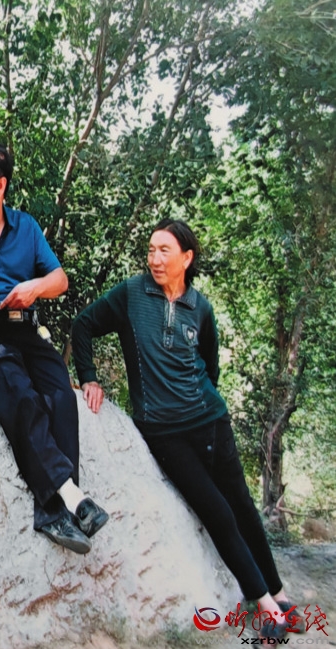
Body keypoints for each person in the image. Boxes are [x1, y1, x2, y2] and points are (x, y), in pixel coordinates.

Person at [71, 218, 298, 637]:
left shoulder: (200, 307)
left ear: (186, 258)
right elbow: (83, 324)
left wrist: (201, 402)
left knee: (243, 506)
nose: (155, 259)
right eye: (151, 250)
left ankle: (279, 593)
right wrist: (89, 377)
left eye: (165, 251)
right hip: (163, 432)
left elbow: (209, 366)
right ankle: (266, 606)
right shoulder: (131, 294)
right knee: (217, 511)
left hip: (211, 422)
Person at [0, 144, 108, 554]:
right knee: (15, 385)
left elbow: (60, 280)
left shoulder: (25, 227)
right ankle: (68, 498)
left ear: (0, 186)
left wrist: (33, 288)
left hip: (23, 327)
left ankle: (56, 512)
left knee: (59, 392)